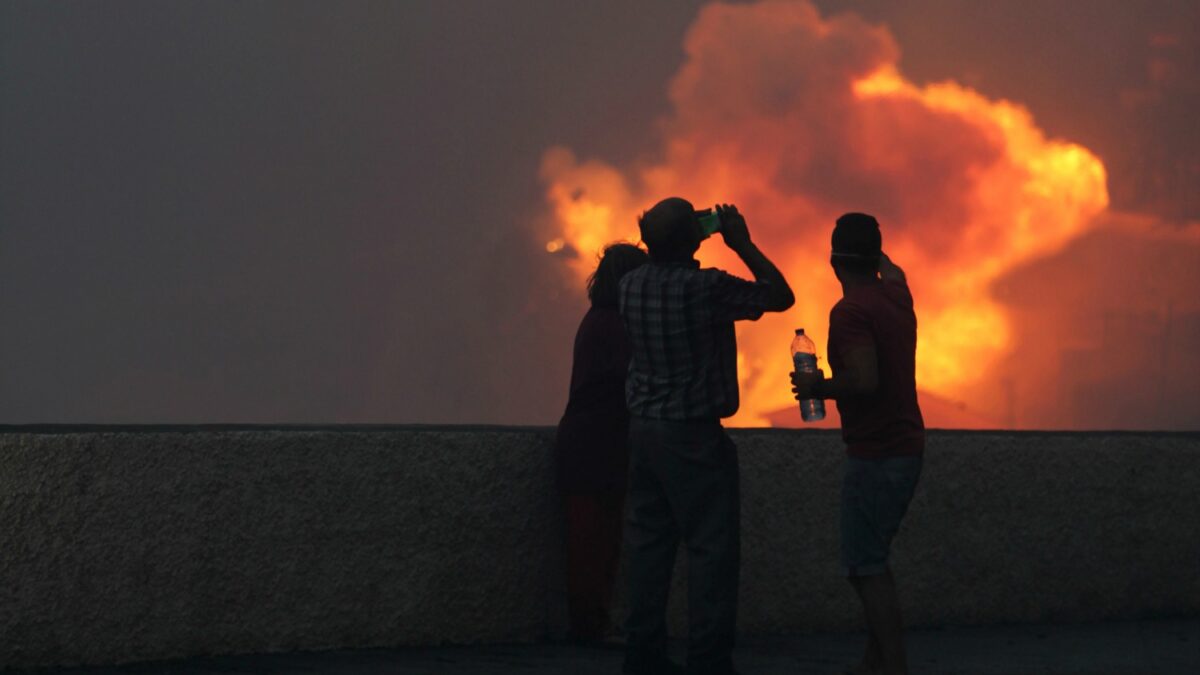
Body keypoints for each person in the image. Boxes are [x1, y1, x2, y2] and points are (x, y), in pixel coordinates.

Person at [619, 198, 794, 675]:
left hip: (643, 432)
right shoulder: (706, 288)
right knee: (710, 550)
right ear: (692, 239)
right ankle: (709, 662)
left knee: (648, 548)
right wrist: (742, 243)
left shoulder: (629, 285)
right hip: (692, 436)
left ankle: (643, 656)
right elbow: (779, 295)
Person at [791, 212, 924, 675]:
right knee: (874, 561)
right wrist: (875, 254)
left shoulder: (850, 312)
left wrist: (817, 389)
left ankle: (893, 665)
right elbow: (895, 269)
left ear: (833, 262)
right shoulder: (897, 295)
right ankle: (875, 663)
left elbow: (864, 380)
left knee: (866, 566)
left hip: (877, 453)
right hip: (905, 447)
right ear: (874, 257)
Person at [555, 242, 650, 642]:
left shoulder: (599, 319)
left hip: (590, 442)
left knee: (597, 535)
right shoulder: (615, 324)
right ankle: (590, 624)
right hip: (597, 444)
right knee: (593, 538)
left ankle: (594, 621)